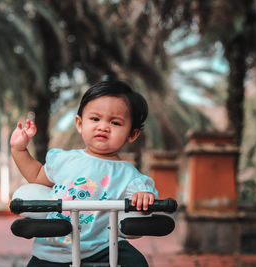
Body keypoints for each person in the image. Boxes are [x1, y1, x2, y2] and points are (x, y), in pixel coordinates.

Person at [10, 80, 158, 267]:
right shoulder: (65, 160)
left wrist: (143, 197)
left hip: (102, 247)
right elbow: (36, 176)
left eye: (115, 122)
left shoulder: (129, 175)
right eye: (95, 119)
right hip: (53, 246)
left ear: (132, 134)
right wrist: (19, 150)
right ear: (80, 123)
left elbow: (141, 200)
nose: (103, 127)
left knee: (136, 262)